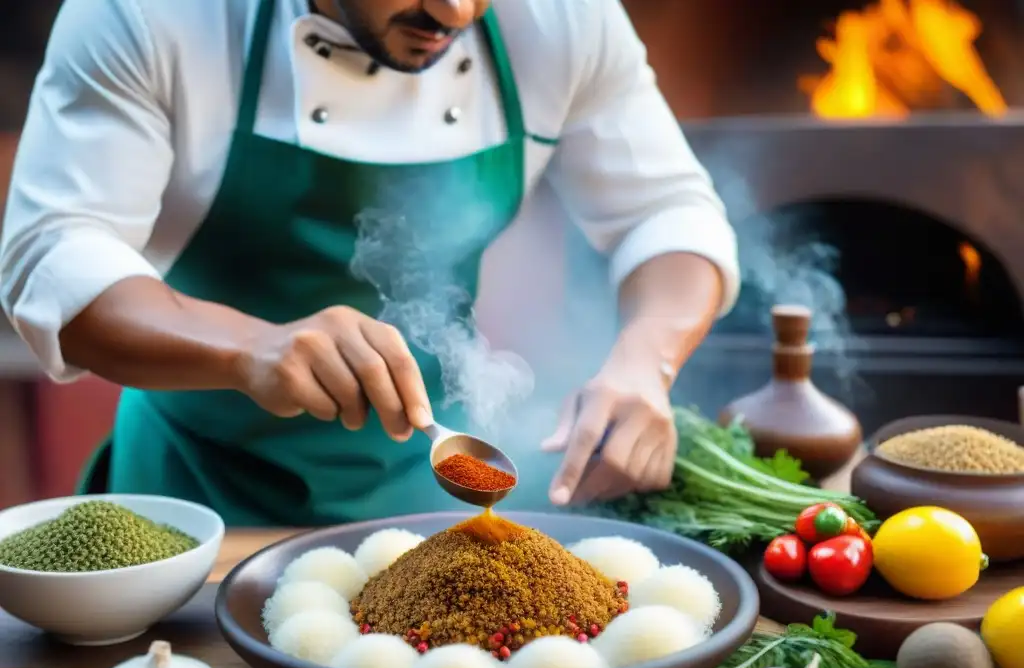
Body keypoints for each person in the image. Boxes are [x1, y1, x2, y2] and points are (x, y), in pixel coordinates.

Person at [0, 0, 739, 526]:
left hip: (435, 496)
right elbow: (54, 255)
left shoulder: (560, 18)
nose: (454, 10)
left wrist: (646, 362)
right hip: (193, 497)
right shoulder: (152, 14)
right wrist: (255, 348)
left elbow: (666, 212)